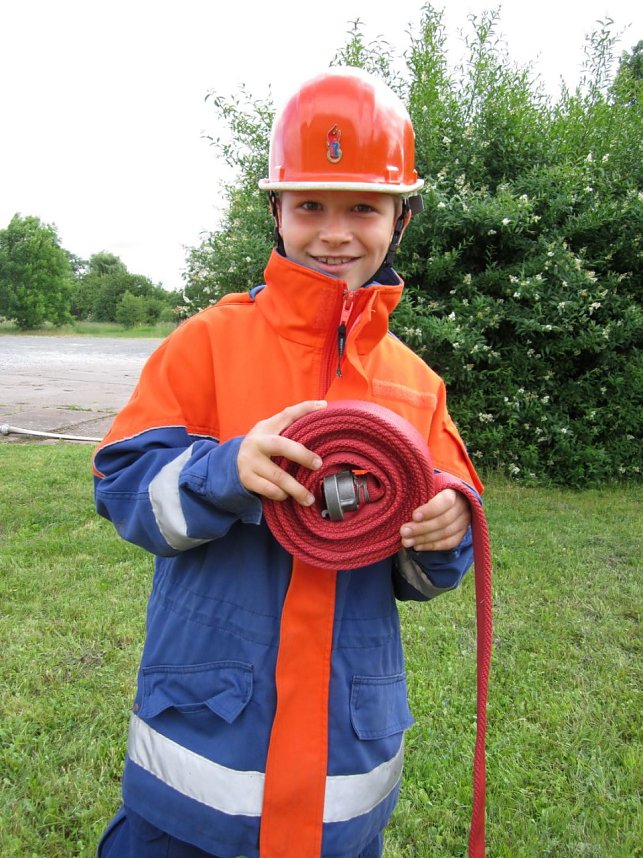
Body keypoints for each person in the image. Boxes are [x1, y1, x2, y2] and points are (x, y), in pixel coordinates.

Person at [93, 67, 483, 858]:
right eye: (309, 205)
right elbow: (123, 487)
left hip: (345, 773)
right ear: (275, 209)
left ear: (399, 220)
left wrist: (443, 534)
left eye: (362, 208)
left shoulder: (417, 386)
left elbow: (424, 576)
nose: (334, 232)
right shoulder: (208, 343)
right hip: (199, 768)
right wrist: (223, 472)